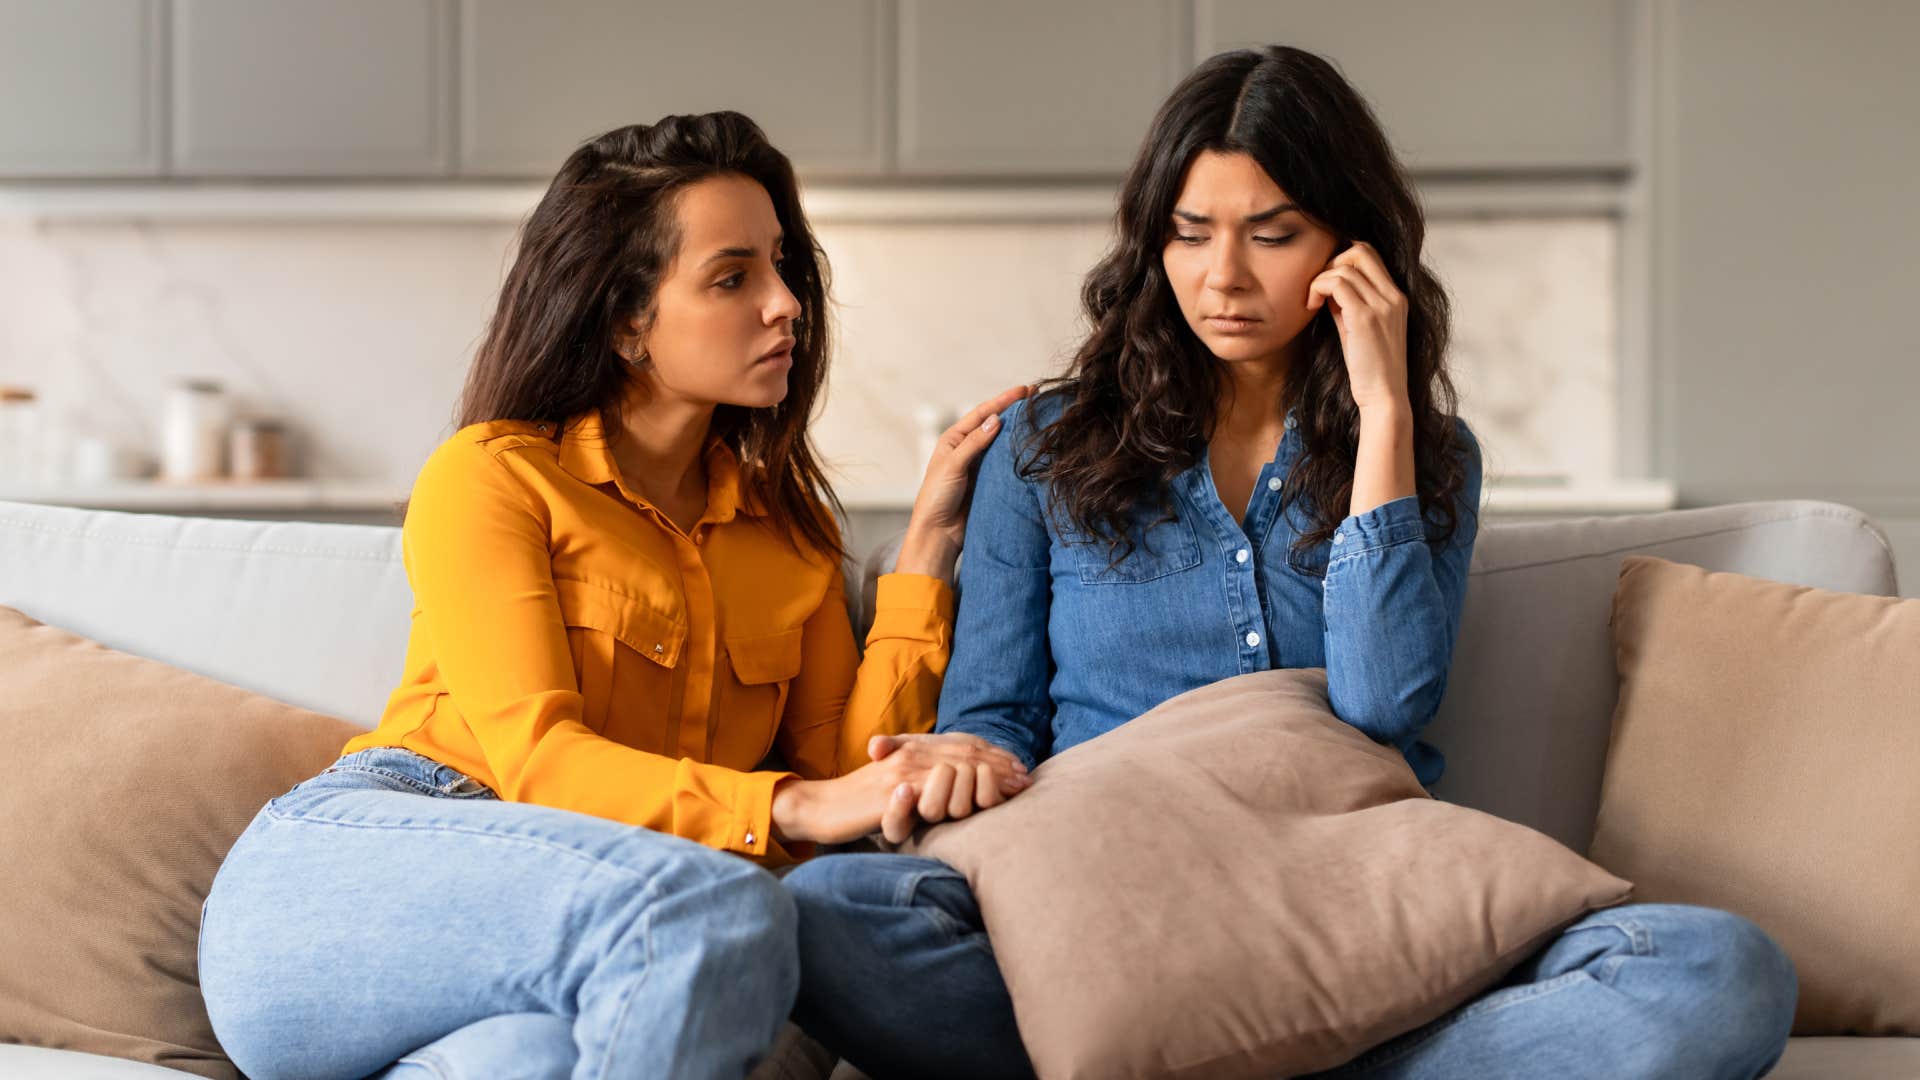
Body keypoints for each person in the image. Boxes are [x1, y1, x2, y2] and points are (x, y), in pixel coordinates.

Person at [784, 46, 1798, 1080]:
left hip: (1353, 910)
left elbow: (1384, 700)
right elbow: (993, 718)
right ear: (1152, 243)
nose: (1222, 277)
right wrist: (962, 758)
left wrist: (1388, 408)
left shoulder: (1425, 457)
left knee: (1720, 971)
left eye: (1272, 235)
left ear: (1348, 248)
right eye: (1189, 234)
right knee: (826, 910)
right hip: (1103, 903)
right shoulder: (1044, 447)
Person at [195, 111, 1029, 1080]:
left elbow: (849, 784)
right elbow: (539, 765)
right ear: (630, 321)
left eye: (782, 266)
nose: (786, 303)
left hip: (588, 936)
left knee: (547, 1058)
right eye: (733, 278)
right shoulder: (494, 478)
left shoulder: (789, 538)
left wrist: (926, 551)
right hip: (352, 881)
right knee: (723, 910)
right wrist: (792, 805)